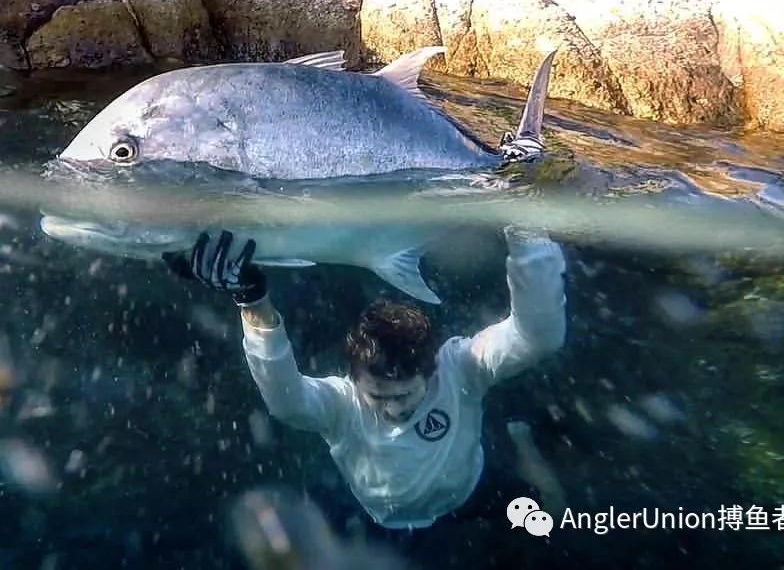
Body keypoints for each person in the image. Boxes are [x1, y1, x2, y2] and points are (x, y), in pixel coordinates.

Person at [165, 226, 567, 531]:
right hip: (372, 521)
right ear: (354, 379)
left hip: (475, 498)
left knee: (550, 521)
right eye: (378, 396)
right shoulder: (342, 404)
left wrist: (527, 235)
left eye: (405, 396)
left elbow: (539, 336)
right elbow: (285, 401)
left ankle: (525, 446)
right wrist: (253, 302)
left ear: (432, 371)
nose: (393, 409)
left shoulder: (460, 366)